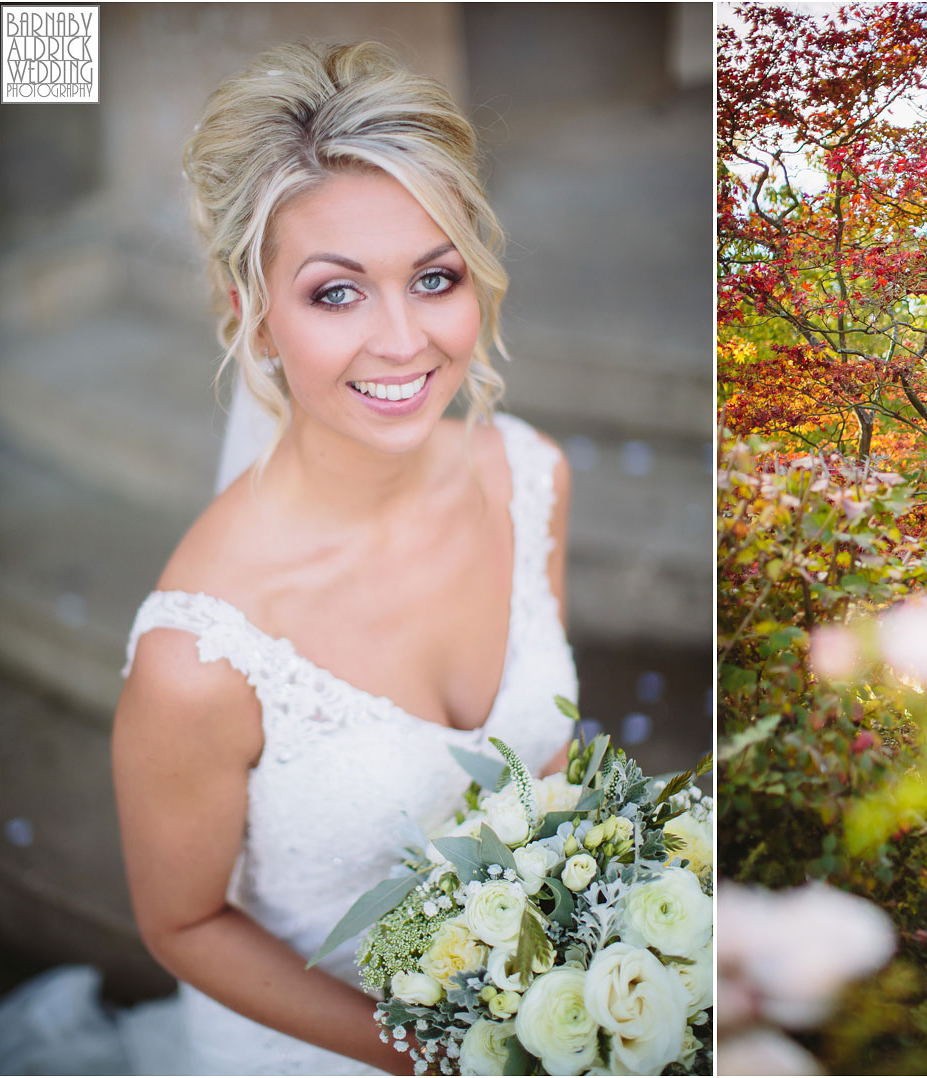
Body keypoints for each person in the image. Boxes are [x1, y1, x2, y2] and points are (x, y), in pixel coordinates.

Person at [110, 42, 576, 1075]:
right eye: (336, 293)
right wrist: (439, 1055)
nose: (404, 340)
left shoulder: (530, 477)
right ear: (252, 314)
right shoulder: (197, 657)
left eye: (435, 277)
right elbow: (182, 924)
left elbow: (544, 766)